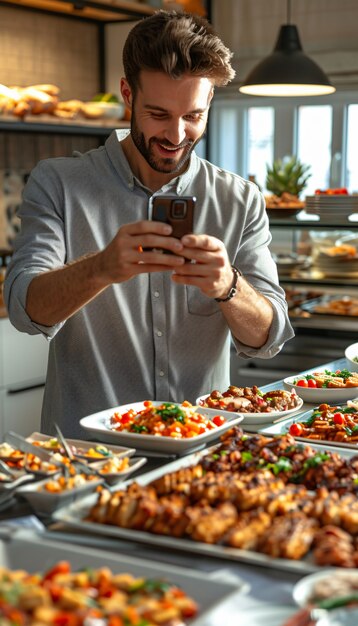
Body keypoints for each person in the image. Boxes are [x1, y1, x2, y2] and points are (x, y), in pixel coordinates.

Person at [4, 10, 294, 438]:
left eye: (192, 116)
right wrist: (101, 268)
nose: (176, 134)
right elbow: (24, 309)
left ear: (209, 103)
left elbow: (270, 335)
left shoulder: (240, 199)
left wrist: (228, 286)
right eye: (158, 114)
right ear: (127, 94)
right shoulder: (58, 182)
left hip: (202, 454)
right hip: (89, 457)